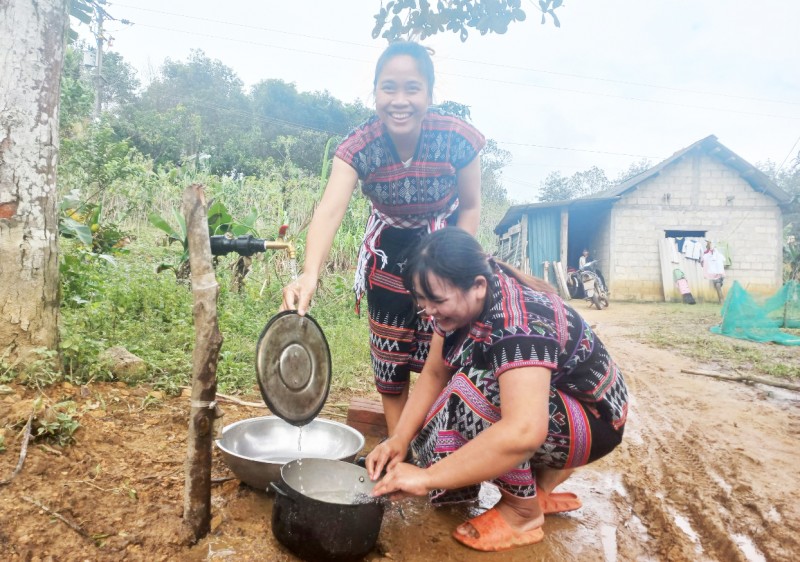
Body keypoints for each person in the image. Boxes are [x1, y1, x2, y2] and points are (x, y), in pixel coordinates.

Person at [366, 227, 628, 552]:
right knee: (448, 405)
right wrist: (399, 439)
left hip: (596, 419)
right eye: (422, 302)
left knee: (471, 391)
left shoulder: (517, 321)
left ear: (477, 286)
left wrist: (427, 478)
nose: (429, 311)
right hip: (564, 403)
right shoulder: (469, 296)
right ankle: (540, 488)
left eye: (436, 301)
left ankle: (523, 513)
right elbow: (434, 373)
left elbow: (524, 430)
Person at [281, 42, 486, 435]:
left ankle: (431, 441)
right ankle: (398, 442)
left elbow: (471, 206)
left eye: (412, 88)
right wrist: (309, 274)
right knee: (389, 358)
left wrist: (455, 268)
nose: (400, 100)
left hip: (441, 244)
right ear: (375, 92)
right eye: (388, 88)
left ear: (429, 93)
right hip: (386, 251)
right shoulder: (359, 145)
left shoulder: (458, 138)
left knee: (438, 351)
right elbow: (329, 210)